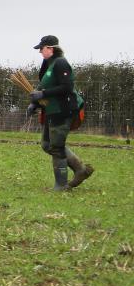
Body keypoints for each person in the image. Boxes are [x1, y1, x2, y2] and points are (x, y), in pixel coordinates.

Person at [27, 35, 92, 190]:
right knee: (47, 144)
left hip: (63, 110)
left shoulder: (60, 63)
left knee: (56, 146)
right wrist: (34, 103)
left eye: (41, 49)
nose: (40, 52)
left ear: (50, 48)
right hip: (51, 110)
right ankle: (80, 169)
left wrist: (43, 95)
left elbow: (67, 88)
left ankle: (61, 185)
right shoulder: (48, 65)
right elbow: (44, 86)